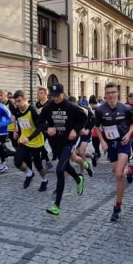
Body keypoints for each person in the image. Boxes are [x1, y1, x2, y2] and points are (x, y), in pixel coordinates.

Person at [37, 83, 87, 216]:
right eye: (53, 96)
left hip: (68, 142)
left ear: (63, 93)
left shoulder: (71, 107)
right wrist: (47, 129)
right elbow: (39, 123)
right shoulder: (48, 108)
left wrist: (75, 130)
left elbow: (84, 118)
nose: (55, 98)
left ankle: (56, 206)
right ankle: (78, 179)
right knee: (65, 166)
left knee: (59, 170)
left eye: (57, 96)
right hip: (55, 143)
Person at [95, 82, 133, 222]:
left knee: (119, 174)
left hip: (123, 143)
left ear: (117, 93)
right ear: (105, 95)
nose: (111, 95)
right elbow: (97, 127)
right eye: (108, 93)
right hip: (110, 144)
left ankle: (117, 207)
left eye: (113, 92)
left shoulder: (125, 108)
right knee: (117, 173)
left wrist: (129, 134)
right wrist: (102, 141)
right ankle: (130, 169)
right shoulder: (100, 110)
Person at [12, 90, 49, 191]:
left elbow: (40, 128)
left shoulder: (32, 110)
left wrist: (29, 138)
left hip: (36, 141)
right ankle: (29, 173)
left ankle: (44, 180)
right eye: (15, 102)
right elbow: (18, 121)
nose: (17, 104)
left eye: (19, 101)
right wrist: (16, 130)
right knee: (17, 161)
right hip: (24, 140)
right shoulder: (17, 110)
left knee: (38, 165)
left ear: (25, 99)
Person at [67, 96, 95, 175]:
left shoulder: (85, 109)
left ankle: (82, 171)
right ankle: (93, 156)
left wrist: (87, 129)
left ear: (76, 103)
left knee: (81, 152)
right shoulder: (68, 109)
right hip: (77, 133)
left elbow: (93, 120)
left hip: (86, 132)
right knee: (76, 153)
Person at [35, 86, 54, 169]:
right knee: (40, 144)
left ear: (46, 94)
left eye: (41, 93)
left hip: (50, 127)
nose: (39, 95)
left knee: (53, 144)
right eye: (38, 93)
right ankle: (47, 161)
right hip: (41, 128)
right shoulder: (37, 104)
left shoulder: (50, 104)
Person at [0, 89, 18, 158]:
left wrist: (15, 128)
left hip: (11, 127)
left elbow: (14, 116)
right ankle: (7, 151)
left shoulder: (10, 104)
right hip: (3, 127)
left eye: (1, 95)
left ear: (6, 95)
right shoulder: (0, 104)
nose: (0, 97)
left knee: (14, 143)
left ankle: (18, 154)